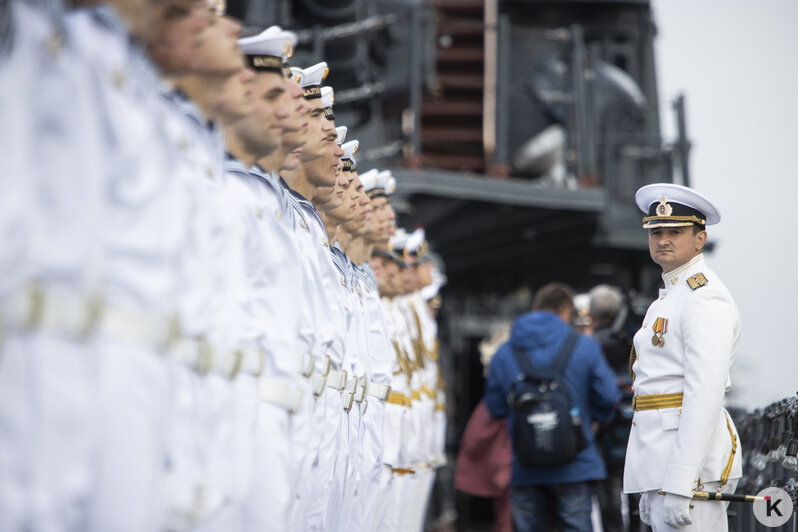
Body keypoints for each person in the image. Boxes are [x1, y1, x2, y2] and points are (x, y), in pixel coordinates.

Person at [623, 183, 742, 531]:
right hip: (663, 459)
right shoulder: (672, 296)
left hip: (689, 468)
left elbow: (704, 393)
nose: (663, 239)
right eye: (656, 231)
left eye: (675, 231)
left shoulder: (703, 297)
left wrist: (680, 479)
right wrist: (650, 482)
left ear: (700, 239)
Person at [483, 282, 620, 532]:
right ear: (567, 311)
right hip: (575, 465)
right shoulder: (584, 346)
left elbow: (494, 407)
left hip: (526, 466)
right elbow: (609, 395)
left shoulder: (504, 352)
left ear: (536, 308)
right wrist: (590, 423)